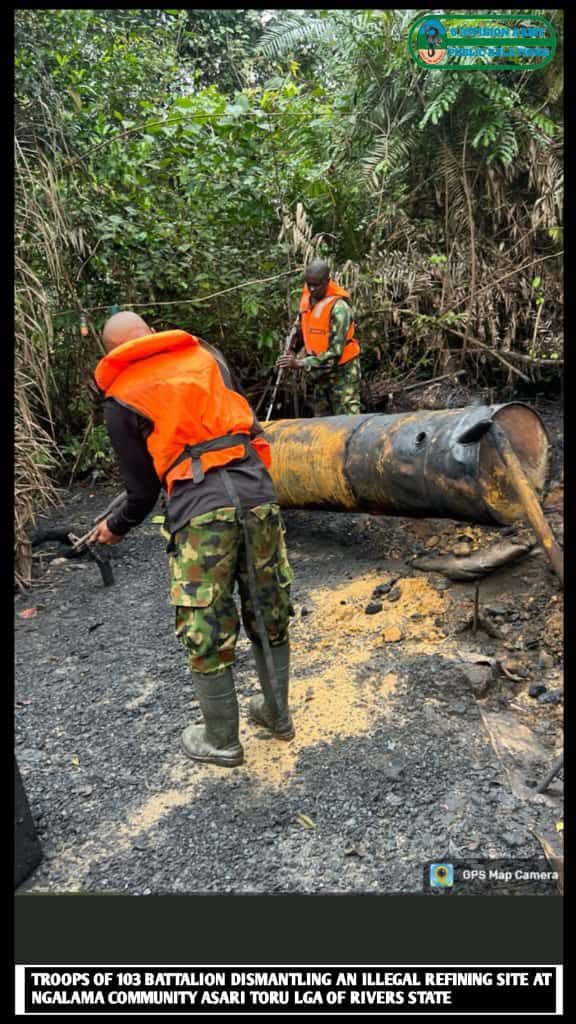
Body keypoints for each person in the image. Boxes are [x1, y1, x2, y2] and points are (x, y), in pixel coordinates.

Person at [90, 311, 295, 769]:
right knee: (268, 603)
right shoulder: (205, 356)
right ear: (150, 333)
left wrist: (116, 526)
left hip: (200, 509)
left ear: (112, 352)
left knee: (204, 620)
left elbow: (142, 492)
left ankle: (221, 739)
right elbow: (244, 422)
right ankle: (277, 715)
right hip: (256, 492)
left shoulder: (121, 396)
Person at [276, 259, 361, 416]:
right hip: (318, 373)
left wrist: (299, 363)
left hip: (342, 371)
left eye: (317, 285)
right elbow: (303, 329)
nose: (312, 289)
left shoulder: (339, 309)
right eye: (309, 284)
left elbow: (335, 354)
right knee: (321, 418)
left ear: (327, 282)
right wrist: (292, 350)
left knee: (347, 416)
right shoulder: (308, 300)